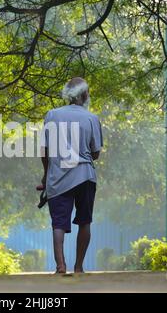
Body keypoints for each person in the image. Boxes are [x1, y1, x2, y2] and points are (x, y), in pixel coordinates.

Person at [39, 77, 103, 274]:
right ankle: (78, 267)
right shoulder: (91, 118)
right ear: (83, 94)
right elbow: (96, 153)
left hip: (57, 178)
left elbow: (44, 151)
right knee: (84, 221)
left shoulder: (51, 115)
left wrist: (45, 176)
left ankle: (60, 266)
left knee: (58, 223)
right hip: (85, 176)